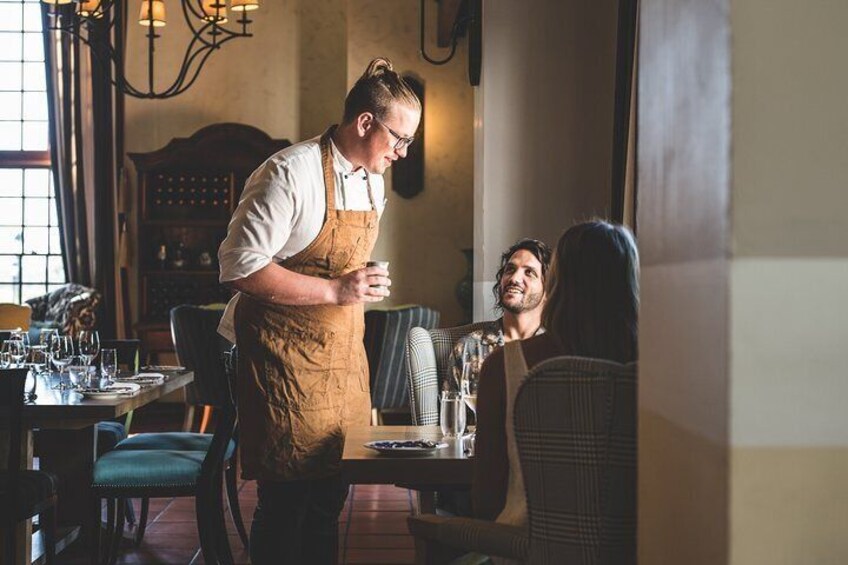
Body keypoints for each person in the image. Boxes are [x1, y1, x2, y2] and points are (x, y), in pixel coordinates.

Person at [217, 58, 421, 564]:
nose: (402, 152)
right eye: (399, 138)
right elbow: (238, 267)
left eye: (409, 143)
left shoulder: (374, 182)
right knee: (287, 498)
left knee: (330, 497)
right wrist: (334, 291)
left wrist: (354, 288)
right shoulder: (289, 173)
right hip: (280, 360)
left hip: (341, 359)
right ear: (365, 123)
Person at [472, 220, 639, 529]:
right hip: (633, 550)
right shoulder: (655, 371)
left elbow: (487, 499)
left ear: (557, 284)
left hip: (525, 548)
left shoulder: (503, 366)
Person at [448, 238, 552, 391]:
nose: (514, 278)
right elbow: (452, 412)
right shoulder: (467, 349)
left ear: (547, 290)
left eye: (529, 272)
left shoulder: (555, 349)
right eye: (510, 269)